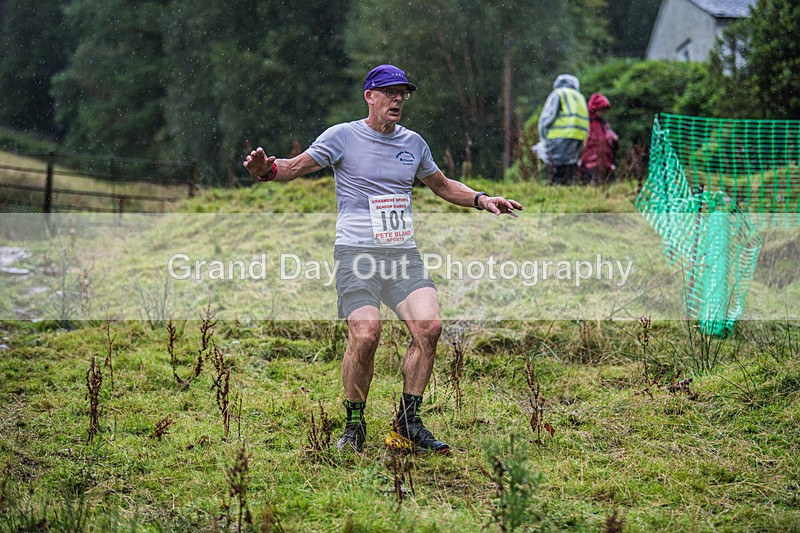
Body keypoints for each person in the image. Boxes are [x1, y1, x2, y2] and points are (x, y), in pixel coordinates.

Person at [243, 64, 522, 454]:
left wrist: (481, 198)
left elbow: (442, 185)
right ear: (369, 96)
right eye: (389, 92)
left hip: (401, 255)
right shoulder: (342, 136)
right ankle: (354, 425)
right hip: (356, 256)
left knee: (430, 327)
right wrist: (267, 170)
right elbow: (295, 166)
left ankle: (407, 424)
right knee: (366, 334)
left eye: (402, 93)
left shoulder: (414, 144)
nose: (397, 100)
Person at [537, 74, 588, 185]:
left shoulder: (558, 94)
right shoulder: (579, 96)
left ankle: (555, 187)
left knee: (557, 165)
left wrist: (543, 135)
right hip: (578, 136)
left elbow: (548, 117)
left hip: (559, 135)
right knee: (571, 164)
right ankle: (569, 186)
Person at [580, 93, 619, 187]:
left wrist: (615, 140)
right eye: (601, 109)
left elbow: (613, 143)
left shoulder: (605, 125)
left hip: (607, 165)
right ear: (594, 108)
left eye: (604, 109)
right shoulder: (586, 124)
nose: (603, 112)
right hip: (590, 165)